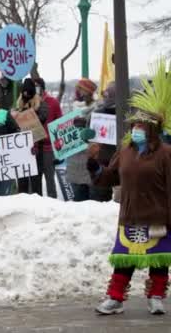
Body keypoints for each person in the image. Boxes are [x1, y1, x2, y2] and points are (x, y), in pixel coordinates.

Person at [91, 108, 171, 315]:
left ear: (152, 130)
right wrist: (94, 166)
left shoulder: (166, 154)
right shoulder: (125, 151)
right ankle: (115, 298)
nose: (136, 130)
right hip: (130, 216)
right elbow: (109, 177)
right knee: (124, 259)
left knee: (158, 259)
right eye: (134, 125)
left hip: (157, 215)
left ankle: (156, 297)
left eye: (140, 126)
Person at [66, 78, 109, 201]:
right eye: (78, 90)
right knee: (79, 198)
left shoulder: (99, 109)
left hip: (91, 156)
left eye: (81, 90)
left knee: (94, 200)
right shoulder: (73, 109)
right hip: (75, 161)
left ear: (89, 92)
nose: (79, 93)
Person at [16, 78, 49, 196]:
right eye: (24, 93)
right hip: (21, 148)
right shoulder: (18, 104)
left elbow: (43, 117)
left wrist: (27, 115)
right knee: (22, 181)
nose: (26, 95)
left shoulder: (41, 104)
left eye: (29, 93)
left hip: (36, 147)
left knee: (36, 180)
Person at [34, 77, 62, 198]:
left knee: (50, 178)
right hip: (33, 148)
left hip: (48, 147)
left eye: (36, 86)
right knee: (35, 179)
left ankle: (53, 204)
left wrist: (58, 147)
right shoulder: (28, 102)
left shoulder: (53, 102)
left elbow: (60, 124)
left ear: (42, 87)